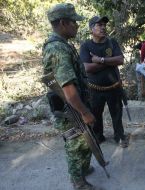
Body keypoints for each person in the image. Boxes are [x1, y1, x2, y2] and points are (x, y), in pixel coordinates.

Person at [42, 3, 101, 190]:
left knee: (85, 141)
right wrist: (84, 112)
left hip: (74, 104)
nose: (77, 25)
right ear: (62, 23)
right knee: (77, 144)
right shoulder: (58, 49)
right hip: (70, 108)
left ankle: (82, 169)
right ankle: (79, 182)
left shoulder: (63, 45)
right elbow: (67, 88)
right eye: (74, 22)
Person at [80, 16, 128, 148]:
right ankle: (98, 136)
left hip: (114, 87)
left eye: (104, 25)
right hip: (94, 89)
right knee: (95, 114)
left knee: (117, 114)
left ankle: (119, 136)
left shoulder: (112, 42)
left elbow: (121, 60)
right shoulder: (86, 46)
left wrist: (100, 60)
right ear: (91, 29)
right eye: (99, 25)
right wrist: (110, 62)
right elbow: (87, 68)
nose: (103, 27)